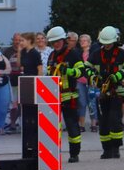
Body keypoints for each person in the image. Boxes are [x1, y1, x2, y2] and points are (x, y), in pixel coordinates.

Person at [89, 26, 124, 159]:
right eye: (104, 43)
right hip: (101, 92)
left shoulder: (122, 54)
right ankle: (106, 149)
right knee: (103, 122)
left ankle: (116, 148)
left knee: (114, 119)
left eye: (109, 43)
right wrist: (93, 77)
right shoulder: (96, 54)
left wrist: (118, 76)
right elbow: (86, 68)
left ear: (115, 41)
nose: (107, 45)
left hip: (117, 92)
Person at [45, 26, 86, 162]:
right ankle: (52, 154)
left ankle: (74, 154)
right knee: (52, 128)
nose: (55, 44)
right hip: (53, 96)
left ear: (63, 40)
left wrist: (67, 71)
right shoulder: (51, 55)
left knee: (72, 126)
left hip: (69, 97)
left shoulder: (73, 54)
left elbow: (81, 72)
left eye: (58, 41)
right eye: (53, 42)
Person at [7, 32, 42, 133]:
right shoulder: (24, 52)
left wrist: (38, 81)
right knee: (24, 105)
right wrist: (19, 52)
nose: (21, 42)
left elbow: (39, 68)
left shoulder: (35, 53)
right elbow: (19, 65)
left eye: (23, 40)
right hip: (25, 80)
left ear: (29, 41)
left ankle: (34, 125)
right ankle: (27, 125)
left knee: (33, 105)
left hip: (33, 79)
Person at [76, 32, 98, 132]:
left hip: (91, 81)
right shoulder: (78, 54)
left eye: (84, 40)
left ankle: (94, 124)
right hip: (80, 81)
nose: (82, 42)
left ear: (89, 42)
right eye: (81, 41)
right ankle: (81, 124)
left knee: (92, 102)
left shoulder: (93, 54)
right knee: (82, 102)